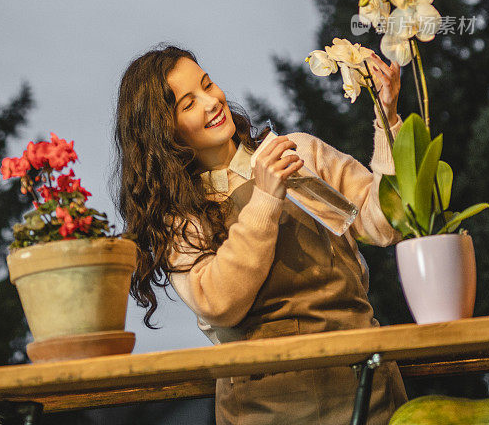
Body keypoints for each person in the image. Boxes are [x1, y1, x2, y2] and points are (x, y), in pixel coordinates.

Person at [114, 44, 408, 425]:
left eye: (208, 84)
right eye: (188, 104)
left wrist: (387, 121)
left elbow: (387, 224)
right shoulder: (179, 216)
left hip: (364, 386)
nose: (211, 102)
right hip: (265, 405)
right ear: (164, 131)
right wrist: (265, 197)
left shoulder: (295, 154)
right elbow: (220, 303)